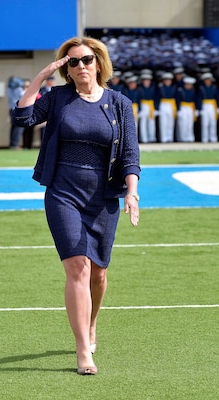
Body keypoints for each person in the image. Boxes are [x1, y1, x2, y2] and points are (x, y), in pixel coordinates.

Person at [12, 36, 140, 376]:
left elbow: (129, 155)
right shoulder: (57, 98)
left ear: (98, 62)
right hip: (62, 192)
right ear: (66, 68)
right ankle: (83, 349)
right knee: (78, 268)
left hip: (103, 197)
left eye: (85, 59)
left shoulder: (118, 104)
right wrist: (42, 77)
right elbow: (21, 118)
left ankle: (92, 323)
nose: (80, 66)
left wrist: (132, 192)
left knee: (98, 273)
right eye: (72, 62)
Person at [7, 75, 24, 149]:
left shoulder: (8, 89)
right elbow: (23, 96)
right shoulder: (18, 89)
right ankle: (15, 144)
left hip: (11, 109)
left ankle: (12, 144)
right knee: (19, 127)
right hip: (17, 109)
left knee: (14, 127)